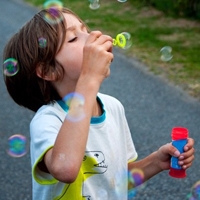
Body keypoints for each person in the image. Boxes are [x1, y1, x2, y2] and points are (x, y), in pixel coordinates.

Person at [3, 7, 194, 200]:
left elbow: (116, 179)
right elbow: (65, 169)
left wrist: (157, 162)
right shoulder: (48, 119)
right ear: (48, 71)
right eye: (73, 38)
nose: (93, 36)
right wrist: (89, 79)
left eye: (85, 30)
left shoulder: (113, 108)